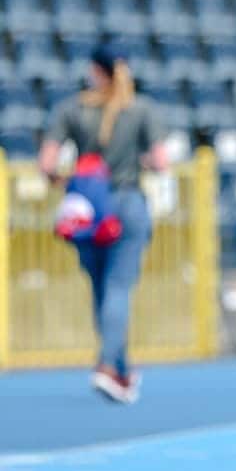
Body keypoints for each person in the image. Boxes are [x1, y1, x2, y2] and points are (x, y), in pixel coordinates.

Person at [38, 49, 168, 404]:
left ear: (96, 71)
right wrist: (137, 160)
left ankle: (120, 369)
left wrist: (70, 181)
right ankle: (110, 366)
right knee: (118, 288)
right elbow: (161, 162)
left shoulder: (71, 109)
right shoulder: (141, 109)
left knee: (102, 290)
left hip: (88, 207)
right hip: (126, 204)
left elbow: (46, 163)